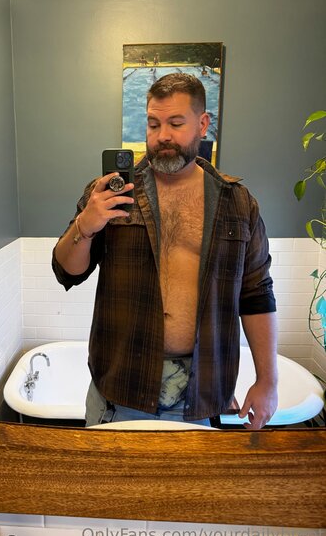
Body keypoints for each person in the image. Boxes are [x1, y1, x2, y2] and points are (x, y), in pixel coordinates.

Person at [52, 73, 278, 429]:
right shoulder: (110, 193)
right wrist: (86, 225)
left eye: (176, 123)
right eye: (154, 124)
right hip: (119, 394)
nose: (162, 136)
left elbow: (257, 294)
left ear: (202, 124)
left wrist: (268, 381)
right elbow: (68, 271)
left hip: (201, 397)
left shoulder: (237, 202)